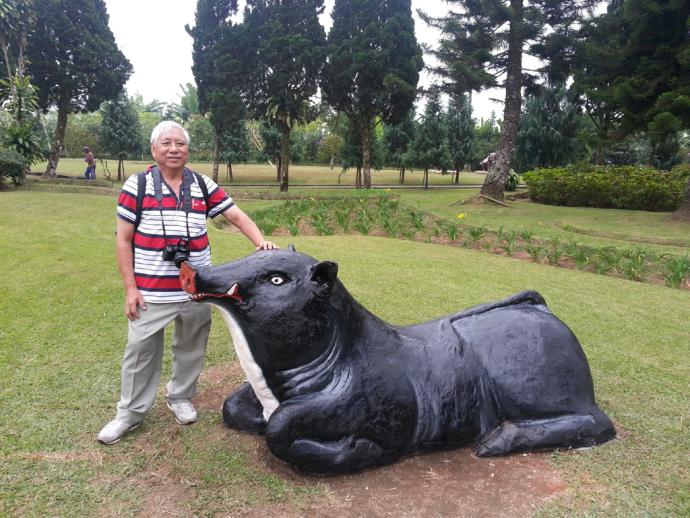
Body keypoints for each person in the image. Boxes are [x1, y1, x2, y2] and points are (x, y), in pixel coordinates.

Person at [98, 121, 278, 445]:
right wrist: (130, 288)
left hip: (196, 289)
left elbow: (235, 215)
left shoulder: (201, 185)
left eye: (180, 143)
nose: (174, 149)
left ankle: (180, 396)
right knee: (140, 352)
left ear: (187, 150)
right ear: (154, 150)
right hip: (151, 291)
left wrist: (260, 243)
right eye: (166, 143)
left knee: (192, 346)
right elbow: (123, 240)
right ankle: (130, 413)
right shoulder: (137, 186)